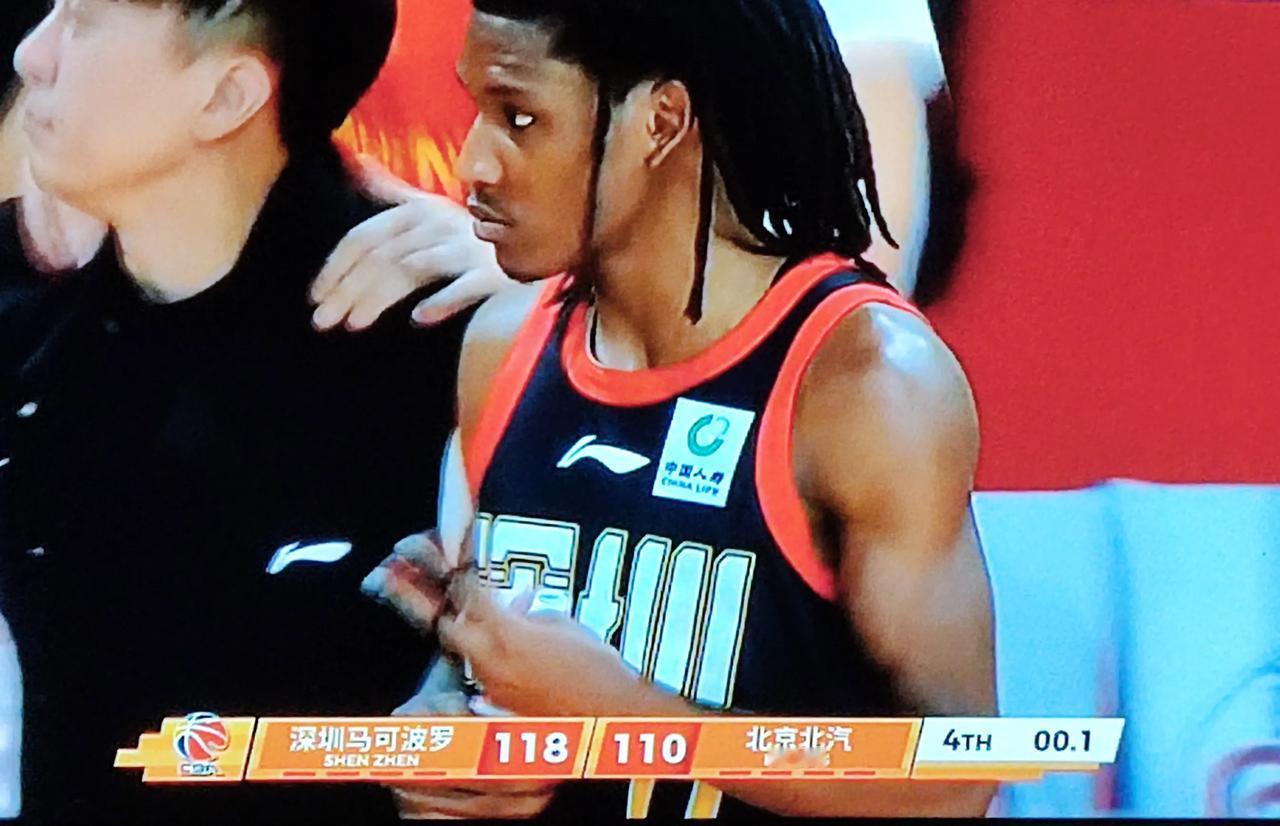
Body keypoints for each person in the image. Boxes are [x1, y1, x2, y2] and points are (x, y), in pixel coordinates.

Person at [370, 0, 997, 819]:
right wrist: (443, 726)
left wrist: (622, 715)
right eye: (478, 110)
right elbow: (494, 666)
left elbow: (959, 777)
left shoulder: (867, 382)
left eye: (520, 118)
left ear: (660, 121)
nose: (472, 164)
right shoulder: (503, 346)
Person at [0, 0, 500, 820]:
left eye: (83, 22)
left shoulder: (450, 343)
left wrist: (530, 297)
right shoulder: (30, 350)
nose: (32, 55)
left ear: (226, 96)